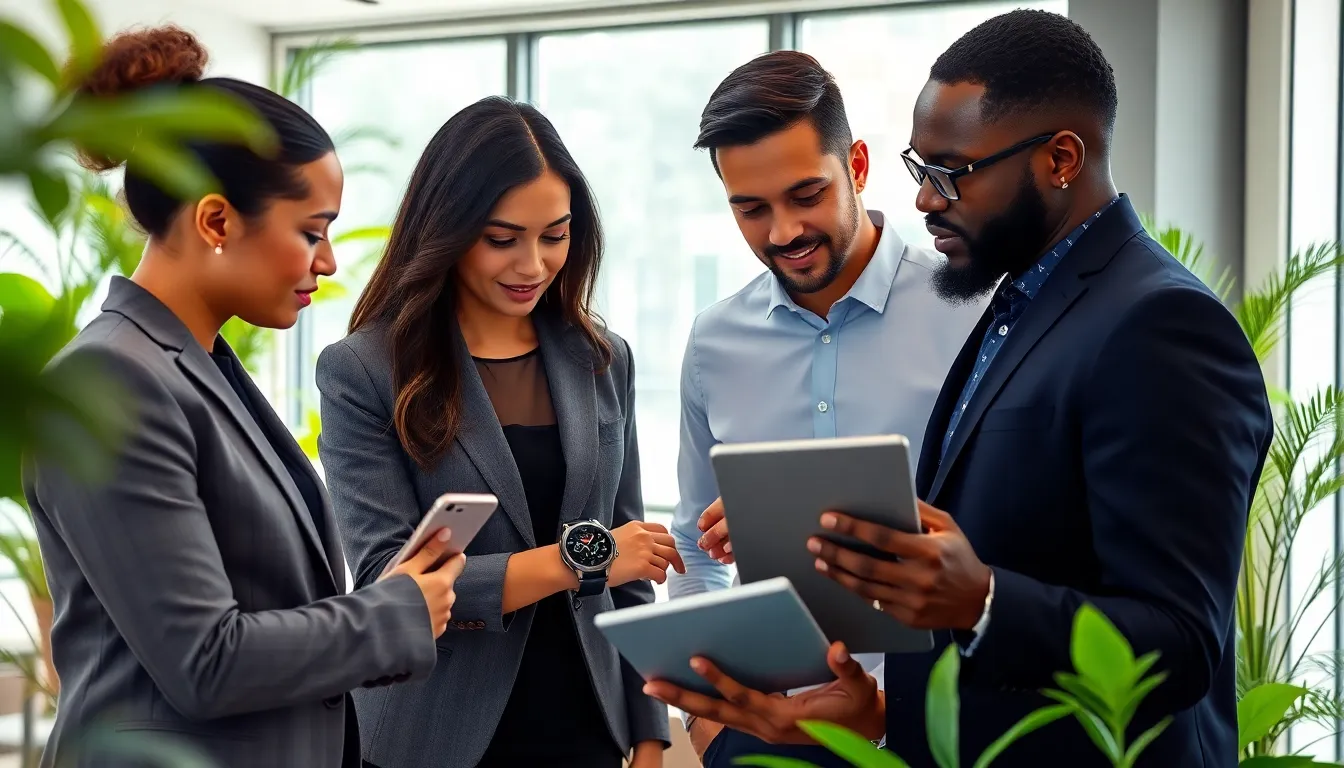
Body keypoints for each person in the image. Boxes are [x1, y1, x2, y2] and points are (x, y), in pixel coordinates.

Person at [645, 10, 1272, 767]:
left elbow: (1181, 643)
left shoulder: (1160, 323)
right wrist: (875, 712)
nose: (925, 202)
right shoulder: (1017, 306)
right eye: (922, 171)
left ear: (1061, 159)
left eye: (952, 174)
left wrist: (981, 602)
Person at [21, 26, 465, 768]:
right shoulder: (110, 380)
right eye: (311, 231)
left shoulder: (196, 367)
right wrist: (392, 614)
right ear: (217, 220)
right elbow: (206, 660)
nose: (327, 260)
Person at [316, 95, 676, 768]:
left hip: (588, 730)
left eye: (555, 235)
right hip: (432, 736)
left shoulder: (602, 358)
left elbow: (634, 570)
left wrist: (651, 736)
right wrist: (581, 561)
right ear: (446, 231)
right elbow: (386, 580)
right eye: (503, 239)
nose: (533, 266)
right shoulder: (364, 370)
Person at [666, 51, 985, 767]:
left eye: (805, 194)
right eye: (751, 208)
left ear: (859, 166)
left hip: (940, 729)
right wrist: (710, 733)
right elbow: (692, 546)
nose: (782, 232)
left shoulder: (971, 312)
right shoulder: (715, 342)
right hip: (768, 737)